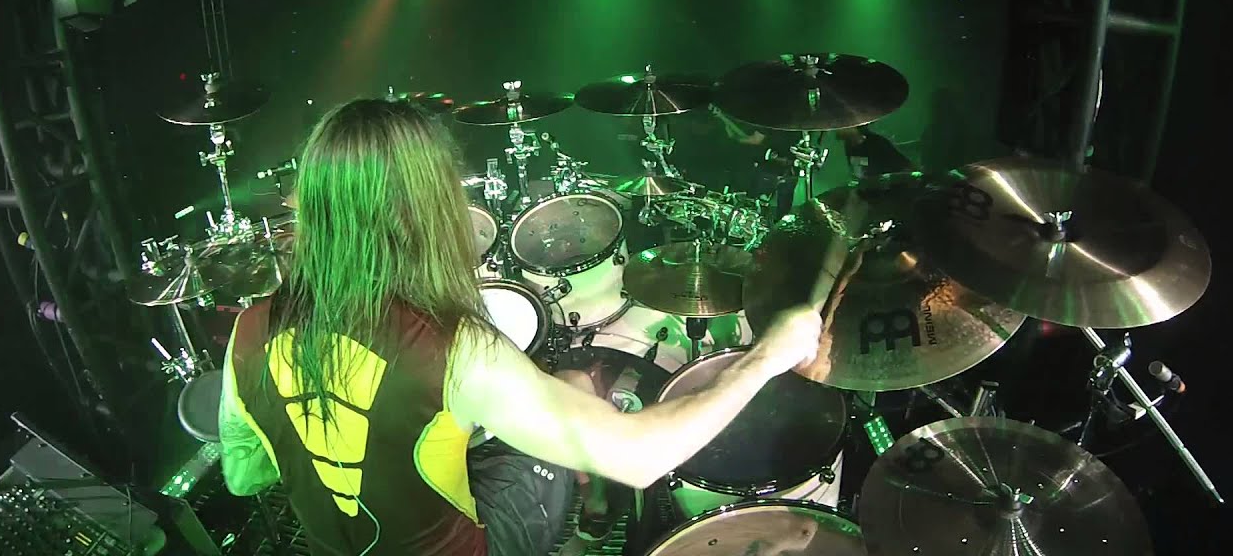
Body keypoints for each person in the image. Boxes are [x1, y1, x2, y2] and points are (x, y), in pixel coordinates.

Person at [217, 98, 825, 556]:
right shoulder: (455, 348)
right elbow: (642, 457)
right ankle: (591, 526)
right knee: (573, 393)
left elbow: (245, 477)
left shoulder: (249, 328)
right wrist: (766, 355)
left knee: (528, 401)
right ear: (430, 204)